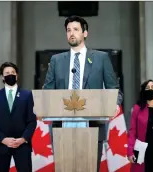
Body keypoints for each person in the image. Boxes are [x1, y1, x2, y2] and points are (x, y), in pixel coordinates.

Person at [43, 15, 123, 171]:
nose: (71, 33)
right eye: (68, 30)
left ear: (85, 33)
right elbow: (48, 91)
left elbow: (114, 89)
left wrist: (115, 104)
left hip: (92, 123)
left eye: (76, 30)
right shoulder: (56, 60)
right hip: (62, 124)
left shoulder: (101, 58)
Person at [0, 62, 37, 172]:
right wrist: (3, 139)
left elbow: (32, 121)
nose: (10, 75)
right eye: (7, 73)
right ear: (2, 77)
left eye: (13, 72)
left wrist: (23, 139)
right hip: (2, 144)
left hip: (22, 144)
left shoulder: (27, 95)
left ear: (17, 75)